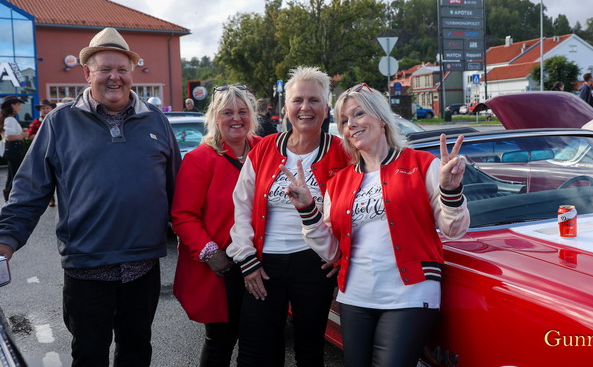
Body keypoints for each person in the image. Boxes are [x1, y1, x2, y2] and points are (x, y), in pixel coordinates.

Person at [0, 27, 181, 366]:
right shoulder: (59, 123)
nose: (115, 77)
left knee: (137, 350)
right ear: (87, 73)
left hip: (143, 267)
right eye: (105, 69)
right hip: (86, 268)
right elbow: (29, 191)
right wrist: (5, 241)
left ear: (132, 73)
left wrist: (199, 240)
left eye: (122, 69)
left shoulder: (155, 120)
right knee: (89, 355)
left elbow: (177, 188)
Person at [282, 83, 470, 367]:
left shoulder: (422, 164)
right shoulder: (338, 181)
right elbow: (332, 252)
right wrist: (308, 210)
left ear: (381, 118)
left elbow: (454, 230)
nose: (351, 125)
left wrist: (451, 190)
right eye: (344, 120)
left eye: (359, 114)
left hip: (410, 294)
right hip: (355, 296)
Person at [227, 66, 349, 367]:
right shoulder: (265, 149)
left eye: (314, 100)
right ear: (285, 108)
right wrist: (246, 259)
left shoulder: (343, 152)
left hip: (316, 264)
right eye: (298, 100)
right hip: (264, 264)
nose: (305, 107)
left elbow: (356, 210)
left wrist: (342, 257)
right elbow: (241, 206)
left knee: (310, 350)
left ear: (326, 108)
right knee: (254, 351)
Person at [172, 85, 261, 366]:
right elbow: (183, 215)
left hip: (263, 264)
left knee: (260, 340)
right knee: (221, 341)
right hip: (224, 268)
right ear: (215, 117)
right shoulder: (199, 159)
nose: (236, 118)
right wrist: (211, 252)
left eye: (242, 111)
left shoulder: (266, 150)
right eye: (227, 112)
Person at [0, 96, 28, 201]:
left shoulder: (8, 119)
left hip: (13, 149)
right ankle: (12, 198)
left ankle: (10, 198)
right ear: (12, 105)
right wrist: (23, 135)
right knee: (15, 175)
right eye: (18, 105)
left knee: (12, 175)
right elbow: (9, 136)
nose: (20, 107)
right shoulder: (10, 119)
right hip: (14, 149)